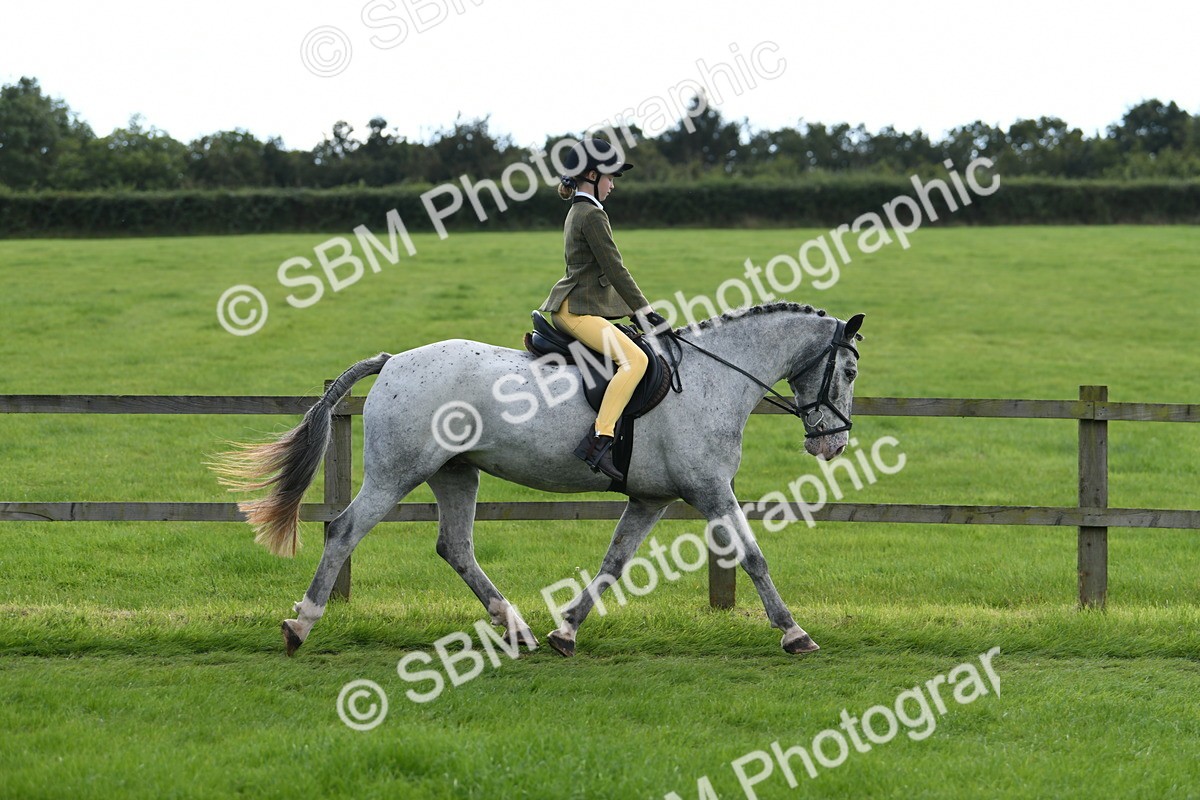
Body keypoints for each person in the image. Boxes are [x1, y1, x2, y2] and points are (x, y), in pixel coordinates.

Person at [538, 138, 667, 482]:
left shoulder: (580, 209)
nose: (613, 185)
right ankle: (599, 440)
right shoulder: (592, 214)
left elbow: (596, 274)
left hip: (578, 304)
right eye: (611, 177)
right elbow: (614, 269)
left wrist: (632, 314)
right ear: (593, 175)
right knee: (636, 360)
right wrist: (644, 311)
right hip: (576, 312)